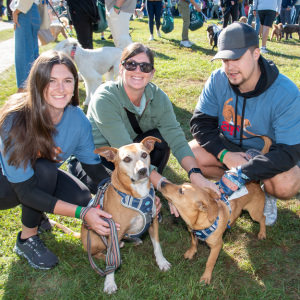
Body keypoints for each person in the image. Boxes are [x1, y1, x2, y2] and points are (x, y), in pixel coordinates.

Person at [0, 50, 117, 270]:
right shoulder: (16, 119)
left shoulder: (77, 118)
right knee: (44, 170)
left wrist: (125, 192)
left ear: (75, 83)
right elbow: (25, 190)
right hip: (6, 185)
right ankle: (27, 238)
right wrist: (83, 214)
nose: (60, 89)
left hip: (33, 177)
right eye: (51, 81)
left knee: (81, 196)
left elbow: (92, 165)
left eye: (67, 81)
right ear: (37, 83)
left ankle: (37, 215)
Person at [78, 42, 219, 216]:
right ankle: (148, 187)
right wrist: (166, 187)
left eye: (145, 67)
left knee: (160, 139)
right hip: (97, 162)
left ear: (152, 73)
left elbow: (176, 138)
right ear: (120, 69)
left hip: (132, 158)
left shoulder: (159, 97)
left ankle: (147, 184)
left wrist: (195, 173)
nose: (138, 71)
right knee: (122, 199)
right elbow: (124, 149)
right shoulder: (104, 98)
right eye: (131, 64)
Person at [189, 22, 300, 227]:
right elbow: (200, 123)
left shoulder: (286, 92)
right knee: (191, 155)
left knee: (286, 184)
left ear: (256, 54)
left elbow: (288, 151)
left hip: (269, 154)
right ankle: (241, 187)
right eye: (225, 59)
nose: (229, 67)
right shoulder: (218, 79)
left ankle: (263, 191)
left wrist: (244, 172)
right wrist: (225, 155)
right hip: (231, 147)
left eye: (237, 58)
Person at [10, 0, 41, 92]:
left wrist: (16, 12)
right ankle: (33, 91)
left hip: (26, 12)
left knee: (23, 54)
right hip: (30, 11)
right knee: (32, 55)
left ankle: (23, 92)